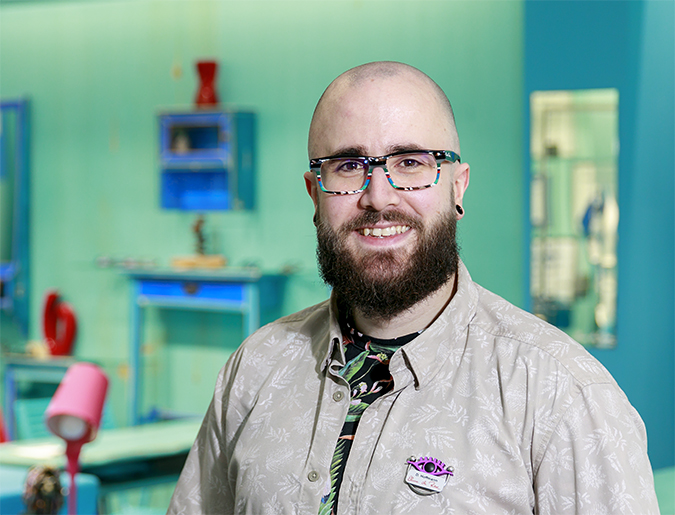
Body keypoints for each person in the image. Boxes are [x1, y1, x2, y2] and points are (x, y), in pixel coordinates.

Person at [168, 62, 659, 514]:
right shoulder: (255, 369)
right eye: (348, 166)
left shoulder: (560, 394)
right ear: (315, 195)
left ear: (457, 186)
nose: (379, 197)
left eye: (410, 162)